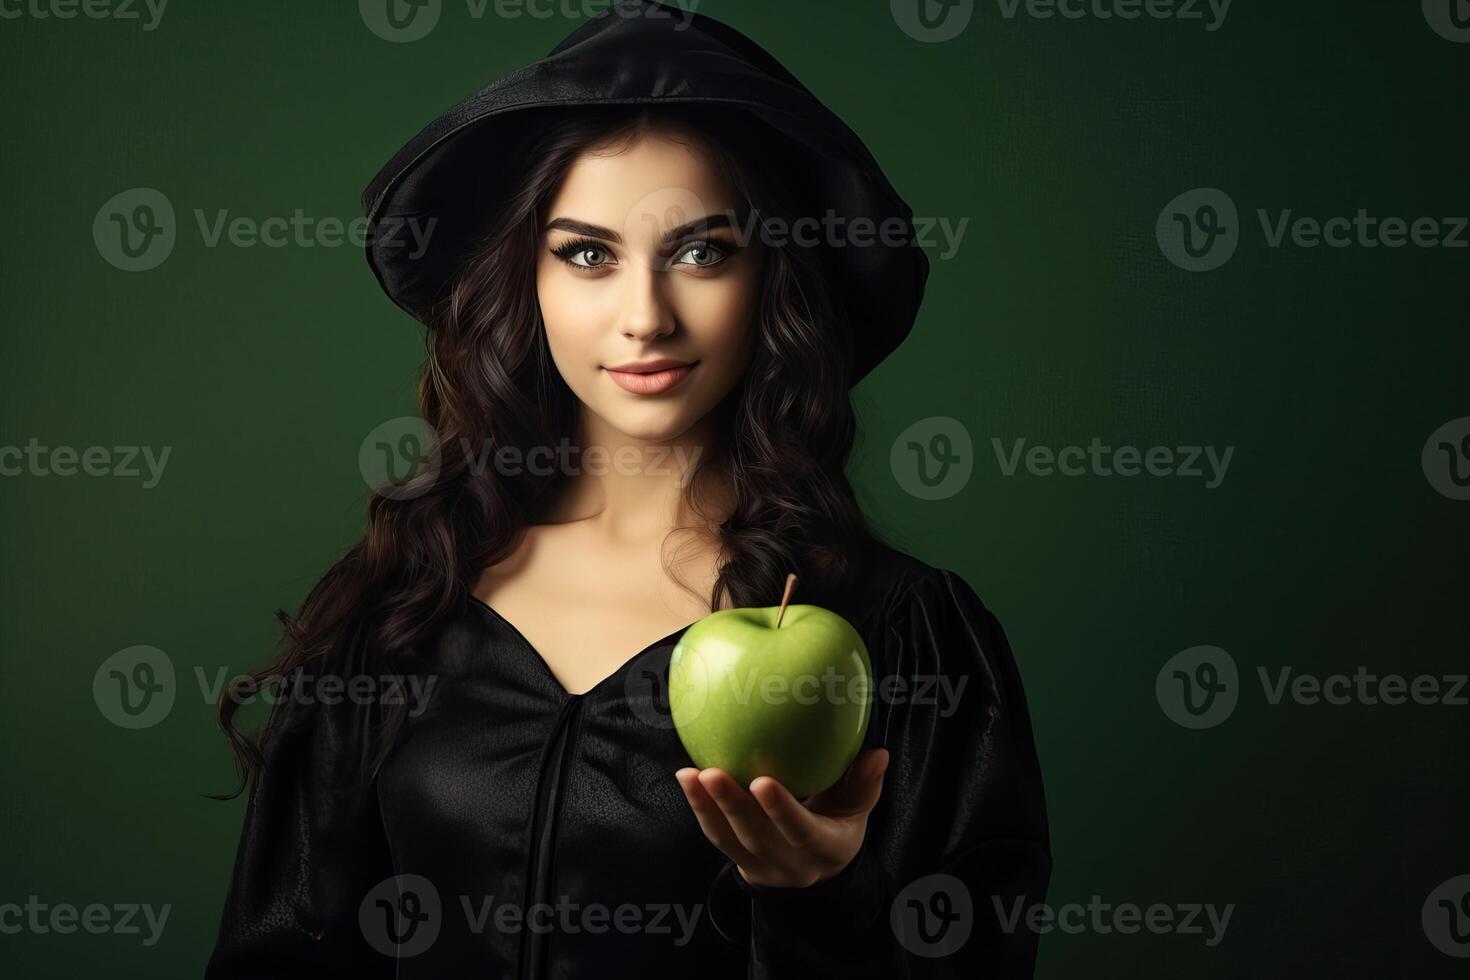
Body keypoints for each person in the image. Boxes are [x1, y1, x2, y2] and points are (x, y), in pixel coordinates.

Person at [204, 2, 1049, 977]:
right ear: (527, 278)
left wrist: (819, 900)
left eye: (702, 250)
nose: (645, 315)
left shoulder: (904, 638)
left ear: (772, 275)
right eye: (588, 253)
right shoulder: (401, 609)